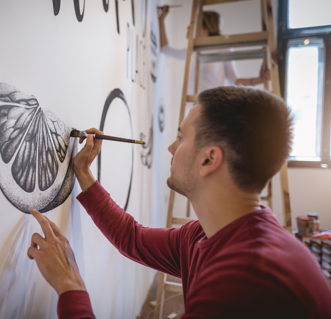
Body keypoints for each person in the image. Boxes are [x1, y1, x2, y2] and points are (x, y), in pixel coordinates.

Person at [27, 86, 331, 318]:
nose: (172, 148)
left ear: (209, 158)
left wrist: (70, 287)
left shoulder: (246, 280)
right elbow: (133, 238)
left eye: (181, 137)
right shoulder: (207, 234)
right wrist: (83, 172)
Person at [158, 6, 270, 94]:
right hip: (193, 108)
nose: (188, 27)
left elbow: (234, 81)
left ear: (205, 29)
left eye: (193, 24)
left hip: (211, 108)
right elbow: (165, 49)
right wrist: (161, 20)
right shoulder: (193, 52)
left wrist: (259, 80)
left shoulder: (223, 49)